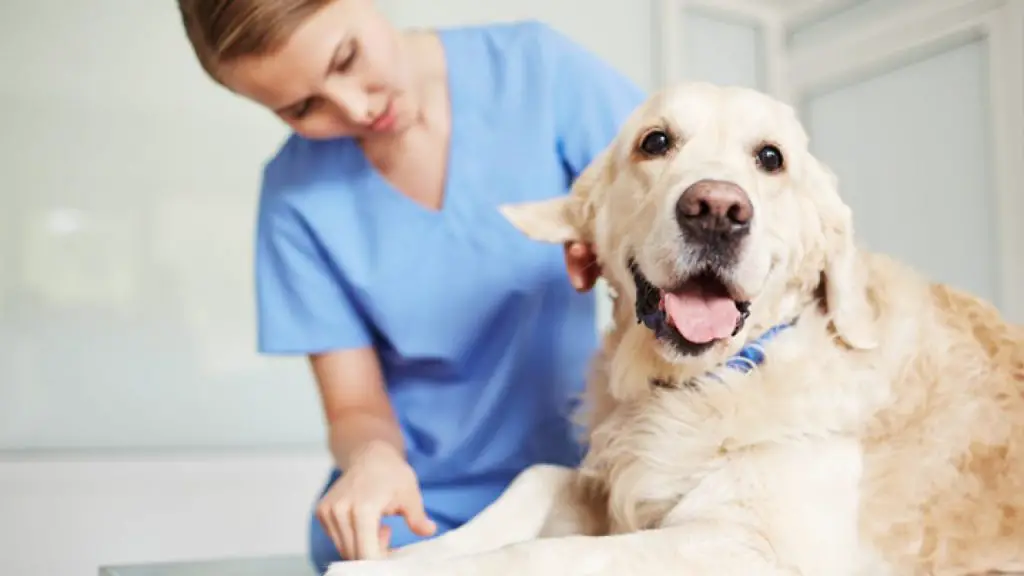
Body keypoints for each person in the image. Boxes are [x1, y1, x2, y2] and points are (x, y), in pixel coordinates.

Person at [176, 0, 646, 572]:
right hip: (417, 513)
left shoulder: (538, 72)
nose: (354, 107)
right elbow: (353, 405)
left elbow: (668, 202)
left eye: (346, 57)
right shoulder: (293, 199)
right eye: (302, 107)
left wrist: (618, 245)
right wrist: (370, 460)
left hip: (585, 486)